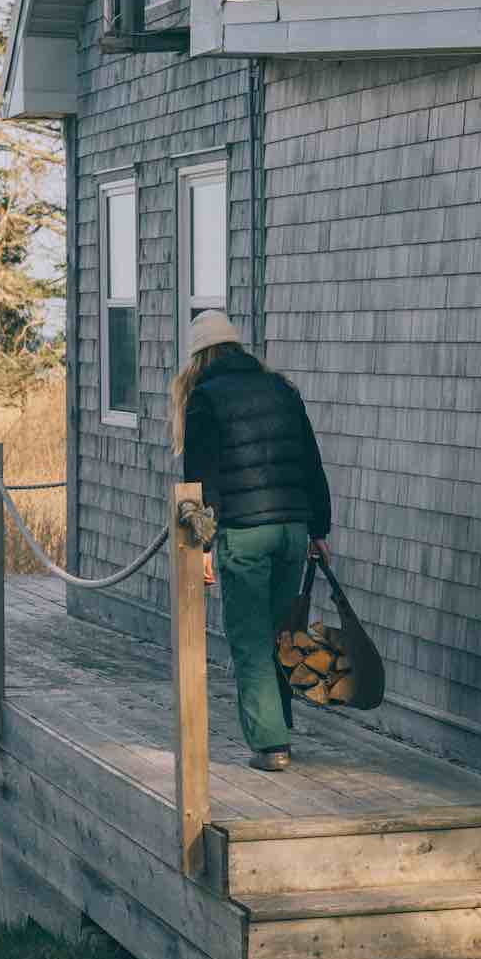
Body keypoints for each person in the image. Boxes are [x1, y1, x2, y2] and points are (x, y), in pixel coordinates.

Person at [171, 311, 332, 772]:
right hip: (292, 529)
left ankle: (270, 745)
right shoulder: (282, 390)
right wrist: (319, 529)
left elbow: (201, 482)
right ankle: (279, 726)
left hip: (245, 532)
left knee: (249, 638)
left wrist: (202, 545)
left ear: (199, 356)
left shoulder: (204, 399)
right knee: (282, 633)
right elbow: (311, 464)